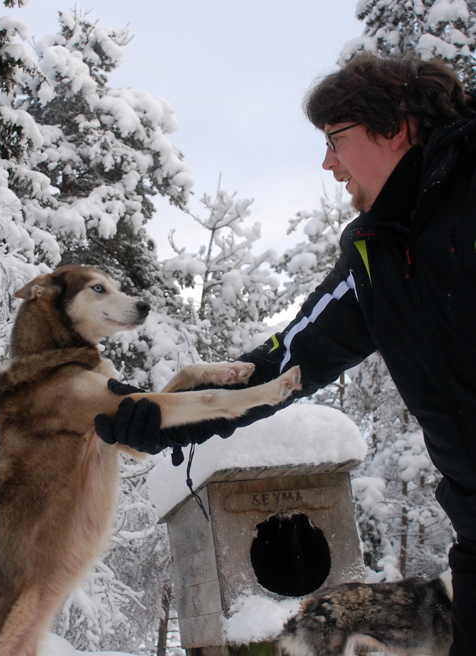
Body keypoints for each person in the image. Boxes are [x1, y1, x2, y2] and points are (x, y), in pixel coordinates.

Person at [95, 55, 476, 654]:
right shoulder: (374, 256)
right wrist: (166, 419)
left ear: (395, 128)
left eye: (335, 141)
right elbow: (281, 366)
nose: (327, 163)